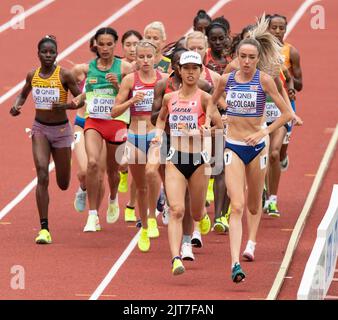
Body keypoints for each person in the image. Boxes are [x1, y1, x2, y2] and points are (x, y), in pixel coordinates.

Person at [212, 37, 293, 282]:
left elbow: (287, 113)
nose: (246, 62)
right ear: (236, 57)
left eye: (251, 57)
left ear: (258, 59)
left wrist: (264, 131)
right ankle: (235, 263)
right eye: (243, 57)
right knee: (236, 205)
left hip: (258, 147)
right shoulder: (227, 80)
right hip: (233, 145)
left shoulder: (265, 80)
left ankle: (252, 242)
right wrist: (217, 119)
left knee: (254, 204)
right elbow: (212, 102)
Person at [153, 51, 223, 275]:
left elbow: (220, 127)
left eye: (195, 68)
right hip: (175, 158)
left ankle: (200, 218)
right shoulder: (169, 98)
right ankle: (175, 258)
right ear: (179, 71)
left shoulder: (205, 98)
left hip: (198, 162)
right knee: (176, 209)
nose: (191, 72)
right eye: (187, 68)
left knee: (195, 213)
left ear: (200, 71)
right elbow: (161, 118)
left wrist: (205, 132)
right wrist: (156, 133)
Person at [10, 35, 81, 244]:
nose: (48, 55)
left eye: (52, 52)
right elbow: (23, 94)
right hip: (40, 128)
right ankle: (44, 229)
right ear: (38, 54)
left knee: (63, 183)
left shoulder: (65, 75)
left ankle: (65, 159)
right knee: (41, 172)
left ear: (57, 54)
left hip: (61, 132)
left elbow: (81, 97)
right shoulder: (33, 75)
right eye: (44, 52)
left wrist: (67, 106)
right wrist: (17, 106)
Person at [75, 27, 133, 232]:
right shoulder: (87, 68)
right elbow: (82, 93)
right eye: (102, 44)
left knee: (112, 170)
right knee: (92, 163)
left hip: (116, 123)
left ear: (115, 44)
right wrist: (76, 101)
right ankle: (92, 216)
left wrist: (118, 86)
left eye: (110, 44)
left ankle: (114, 197)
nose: (106, 48)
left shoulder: (125, 68)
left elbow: (130, 100)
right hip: (94, 122)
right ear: (95, 45)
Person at [112, 40, 168, 251]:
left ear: (155, 57)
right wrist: (131, 101)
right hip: (135, 135)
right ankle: (144, 226)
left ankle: (153, 216)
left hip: (155, 133)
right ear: (135, 58)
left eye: (148, 56)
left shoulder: (163, 79)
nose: (145, 60)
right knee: (141, 185)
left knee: (152, 172)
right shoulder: (129, 80)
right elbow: (114, 111)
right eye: (141, 57)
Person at [185, 31, 230, 238]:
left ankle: (219, 216)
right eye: (191, 48)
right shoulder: (179, 78)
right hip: (187, 138)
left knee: (218, 169)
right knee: (197, 175)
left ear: (206, 50)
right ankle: (198, 217)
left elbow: (225, 105)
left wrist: (221, 118)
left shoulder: (216, 78)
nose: (196, 51)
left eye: (199, 48)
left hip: (213, 130)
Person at [72, 37, 107, 219]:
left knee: (100, 175)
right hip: (82, 123)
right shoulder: (81, 71)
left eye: (107, 44)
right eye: (99, 44)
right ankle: (83, 186)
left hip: (104, 125)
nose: (102, 47)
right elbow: (67, 90)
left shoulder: (117, 70)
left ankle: (94, 215)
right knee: (86, 171)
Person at [267, 14, 303, 171]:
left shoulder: (291, 52)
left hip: (286, 102)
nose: (277, 31)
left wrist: (286, 80)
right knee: (268, 150)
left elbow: (300, 84)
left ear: (285, 29)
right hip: (266, 102)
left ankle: (283, 157)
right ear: (268, 29)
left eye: (281, 28)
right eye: (274, 27)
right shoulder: (262, 50)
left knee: (280, 151)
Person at [119, 29, 143, 223]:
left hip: (139, 123)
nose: (132, 49)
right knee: (122, 163)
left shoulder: (148, 64)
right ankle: (123, 174)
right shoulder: (118, 68)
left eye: (136, 44)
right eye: (128, 45)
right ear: (123, 47)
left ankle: (132, 205)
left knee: (140, 168)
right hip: (121, 119)